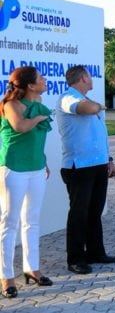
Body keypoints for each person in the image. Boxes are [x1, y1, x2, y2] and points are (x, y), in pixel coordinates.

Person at [56, 65, 115, 274]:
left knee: (95, 212)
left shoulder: (87, 100)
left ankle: (95, 252)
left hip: (98, 164)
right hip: (79, 166)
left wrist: (109, 160)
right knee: (79, 214)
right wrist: (99, 105)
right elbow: (87, 109)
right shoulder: (68, 98)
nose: (92, 80)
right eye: (89, 77)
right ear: (83, 78)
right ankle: (75, 258)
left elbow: (98, 136)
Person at [0, 67, 53, 298]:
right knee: (9, 223)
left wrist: (44, 162)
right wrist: (39, 117)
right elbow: (20, 127)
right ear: (30, 85)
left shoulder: (39, 101)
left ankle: (32, 269)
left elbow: (36, 139)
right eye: (40, 78)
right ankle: (6, 276)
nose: (44, 80)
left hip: (36, 168)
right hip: (13, 168)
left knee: (31, 220)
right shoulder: (11, 105)